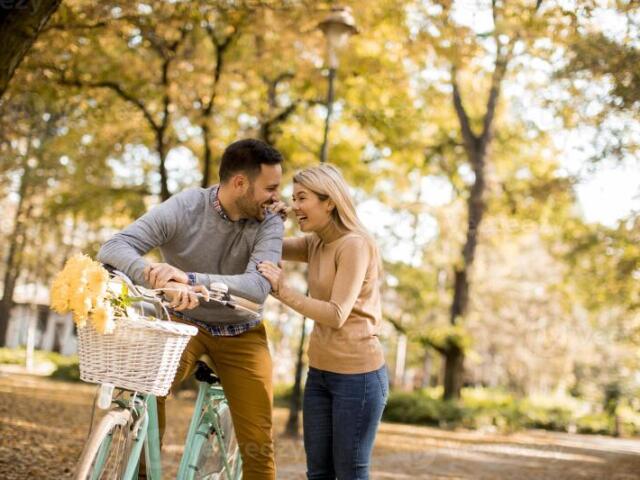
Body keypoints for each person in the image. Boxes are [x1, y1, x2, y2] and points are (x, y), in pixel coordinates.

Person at [97, 138, 284, 480]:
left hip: (242, 332)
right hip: (184, 324)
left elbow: (258, 288)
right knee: (146, 392)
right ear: (240, 183)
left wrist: (191, 279)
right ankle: (141, 473)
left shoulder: (270, 222)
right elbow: (115, 246)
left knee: (258, 443)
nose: (277, 198)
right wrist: (157, 278)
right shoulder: (186, 207)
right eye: (270, 188)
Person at [257, 163, 388, 480]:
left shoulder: (354, 244)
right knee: (318, 473)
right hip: (320, 374)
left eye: (302, 198)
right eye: (293, 198)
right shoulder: (316, 241)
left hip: (358, 378)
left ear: (329, 200)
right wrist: (271, 218)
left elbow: (336, 314)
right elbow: (268, 247)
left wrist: (284, 291)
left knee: (350, 472)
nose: (295, 206)